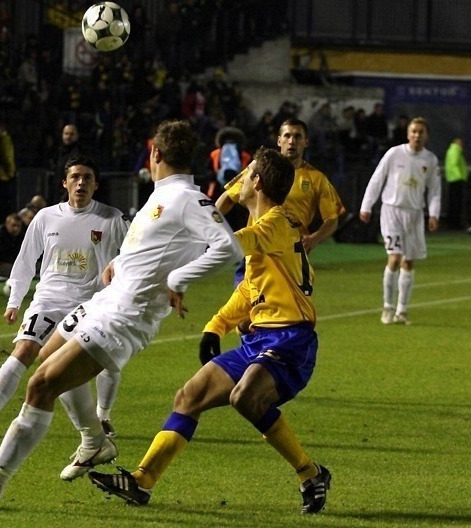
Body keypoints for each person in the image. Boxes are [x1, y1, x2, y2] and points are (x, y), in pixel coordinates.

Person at [0, 119, 243, 508]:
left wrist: (179, 279)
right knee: (45, 359)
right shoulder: (163, 195)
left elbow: (229, 248)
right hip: (105, 301)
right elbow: (152, 249)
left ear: (154, 152)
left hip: (125, 318)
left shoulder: (187, 198)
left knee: (41, 386)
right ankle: (94, 441)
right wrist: (118, 264)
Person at [89, 147, 331, 515]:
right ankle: (142, 481)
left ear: (258, 183)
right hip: (260, 340)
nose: (241, 180)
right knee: (189, 396)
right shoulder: (269, 234)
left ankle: (309, 473)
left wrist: (155, 261)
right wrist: (215, 327)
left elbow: (229, 244)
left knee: (245, 396)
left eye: (247, 174)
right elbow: (249, 291)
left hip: (290, 338)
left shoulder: (277, 224)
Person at [0, 156, 129, 440]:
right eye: (75, 177)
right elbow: (26, 260)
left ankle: (103, 417)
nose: (81, 183)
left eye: (87, 178)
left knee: (105, 360)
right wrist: (15, 300)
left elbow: (130, 257)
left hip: (92, 304)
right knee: (24, 352)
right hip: (49, 301)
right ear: (65, 182)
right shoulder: (46, 217)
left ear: (96, 185)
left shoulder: (112, 218)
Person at [217, 118, 345, 285]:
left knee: (281, 305)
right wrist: (211, 227)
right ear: (279, 140)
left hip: (290, 256)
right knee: (247, 302)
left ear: (306, 142)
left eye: (298, 136)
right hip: (258, 248)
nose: (292, 141)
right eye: (287, 136)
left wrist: (314, 238)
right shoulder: (260, 169)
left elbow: (332, 218)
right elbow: (227, 198)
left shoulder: (316, 179)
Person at [359, 117, 441, 325]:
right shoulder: (394, 153)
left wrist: (434, 214)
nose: (417, 135)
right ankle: (387, 307)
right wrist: (366, 205)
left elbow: (434, 190)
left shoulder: (430, 160)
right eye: (413, 131)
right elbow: (377, 178)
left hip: (414, 214)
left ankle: (402, 311)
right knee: (394, 258)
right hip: (392, 211)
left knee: (408, 261)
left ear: (426, 135)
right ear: (408, 133)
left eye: (421, 132)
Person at [444, 137, 468, 229]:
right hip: (456, 180)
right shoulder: (455, 151)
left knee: (453, 203)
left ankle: (452, 223)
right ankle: (454, 224)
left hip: (453, 179)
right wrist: (460, 177)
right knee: (456, 204)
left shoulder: (453, 151)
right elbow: (455, 165)